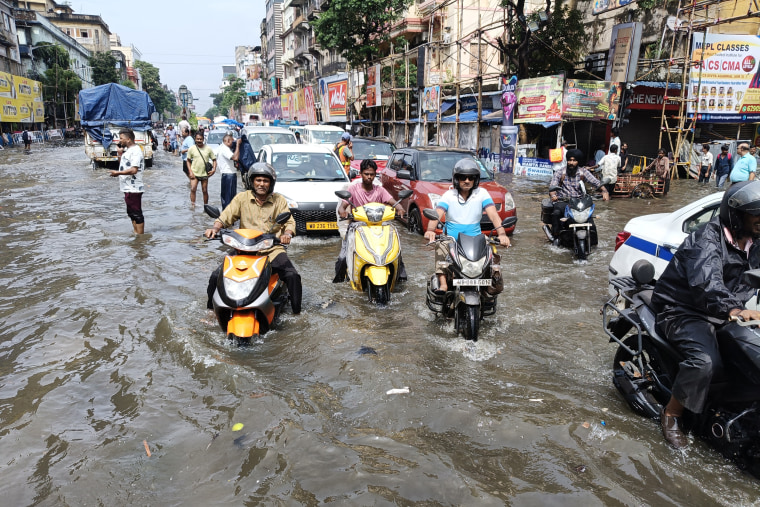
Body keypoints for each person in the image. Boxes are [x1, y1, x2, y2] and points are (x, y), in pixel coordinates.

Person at [651, 181, 760, 448]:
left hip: (725, 312)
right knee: (706, 362)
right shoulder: (706, 238)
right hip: (682, 310)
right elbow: (706, 286)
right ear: (736, 214)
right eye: (755, 213)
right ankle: (672, 414)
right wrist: (734, 309)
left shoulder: (755, 240)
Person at [204, 163, 301, 314]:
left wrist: (287, 234)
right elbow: (225, 217)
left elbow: (289, 221)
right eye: (258, 180)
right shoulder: (242, 198)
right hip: (243, 248)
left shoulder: (279, 200)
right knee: (216, 275)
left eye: (265, 181)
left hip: (271, 249)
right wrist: (215, 228)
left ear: (271, 183)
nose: (261, 184)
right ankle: (210, 312)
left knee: (292, 275)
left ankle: (297, 313)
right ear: (252, 182)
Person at [424, 159, 510, 294]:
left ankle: (491, 284)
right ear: (456, 179)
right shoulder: (449, 195)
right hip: (452, 239)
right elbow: (437, 214)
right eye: (463, 177)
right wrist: (430, 231)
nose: (467, 180)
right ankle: (443, 284)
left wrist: (502, 234)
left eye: (471, 177)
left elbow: (493, 215)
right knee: (440, 246)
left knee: (492, 252)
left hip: (475, 239)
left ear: (476, 180)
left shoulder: (482, 194)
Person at [334, 159, 406, 282]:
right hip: (357, 226)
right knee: (343, 257)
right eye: (366, 174)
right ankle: (339, 281)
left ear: (375, 175)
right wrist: (343, 212)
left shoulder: (380, 190)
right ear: (361, 173)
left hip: (378, 226)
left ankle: (400, 278)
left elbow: (393, 202)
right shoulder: (353, 189)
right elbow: (342, 206)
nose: (369, 177)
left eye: (372, 174)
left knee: (395, 252)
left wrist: (400, 208)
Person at [547, 149, 609, 244]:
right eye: (570, 160)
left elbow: (596, 182)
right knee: (556, 213)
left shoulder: (583, 172)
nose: (571, 163)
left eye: (574, 160)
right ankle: (555, 237)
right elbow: (553, 185)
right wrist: (553, 195)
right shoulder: (560, 172)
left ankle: (593, 243)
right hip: (564, 201)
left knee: (590, 220)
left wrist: (604, 191)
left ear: (578, 162)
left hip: (579, 203)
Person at [109, 128, 145, 234]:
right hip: (127, 187)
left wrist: (117, 173)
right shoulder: (128, 151)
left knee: (137, 213)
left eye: (121, 138)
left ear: (128, 139)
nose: (119, 141)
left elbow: (134, 170)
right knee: (131, 213)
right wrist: (120, 154)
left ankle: (140, 238)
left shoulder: (136, 151)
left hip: (134, 188)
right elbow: (124, 165)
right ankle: (136, 233)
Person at [186, 132, 216, 205]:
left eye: (200, 139)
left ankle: (206, 206)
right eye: (197, 139)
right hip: (194, 173)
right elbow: (188, 160)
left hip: (205, 173)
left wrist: (214, 170)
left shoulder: (208, 149)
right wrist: (190, 171)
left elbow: (214, 160)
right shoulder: (191, 149)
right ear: (195, 139)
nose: (199, 140)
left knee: (205, 190)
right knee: (193, 189)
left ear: (203, 139)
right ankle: (193, 206)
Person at [216, 133, 241, 210]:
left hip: (226, 175)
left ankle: (226, 217)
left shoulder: (221, 147)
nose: (232, 143)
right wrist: (238, 145)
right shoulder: (225, 149)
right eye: (232, 141)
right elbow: (235, 157)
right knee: (229, 199)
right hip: (229, 175)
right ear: (227, 141)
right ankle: (228, 219)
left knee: (226, 198)